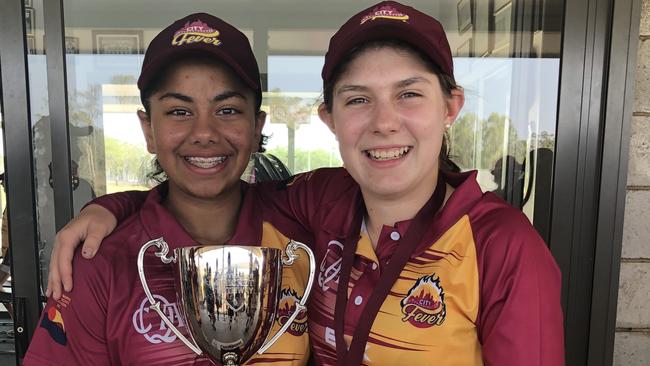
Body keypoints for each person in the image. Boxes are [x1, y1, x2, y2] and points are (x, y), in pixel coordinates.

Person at [47, 2, 564, 365]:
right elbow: (191, 190)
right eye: (359, 98)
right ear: (330, 117)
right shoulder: (321, 209)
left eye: (409, 94)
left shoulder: (499, 245)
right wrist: (112, 209)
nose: (385, 123)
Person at [25, 13, 311, 365]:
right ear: (148, 130)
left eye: (227, 110)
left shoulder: (303, 237)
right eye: (179, 111)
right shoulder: (99, 261)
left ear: (257, 127)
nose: (204, 132)